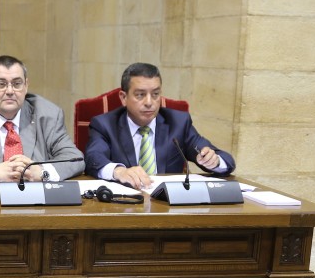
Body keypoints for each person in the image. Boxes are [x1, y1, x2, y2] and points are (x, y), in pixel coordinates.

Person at [84, 62, 236, 190]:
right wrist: (119, 171)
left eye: (155, 94)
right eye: (140, 95)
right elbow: (93, 158)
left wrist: (214, 161)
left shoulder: (178, 122)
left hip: (168, 205)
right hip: (124, 205)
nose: (149, 102)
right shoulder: (105, 125)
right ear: (124, 98)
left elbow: (226, 160)